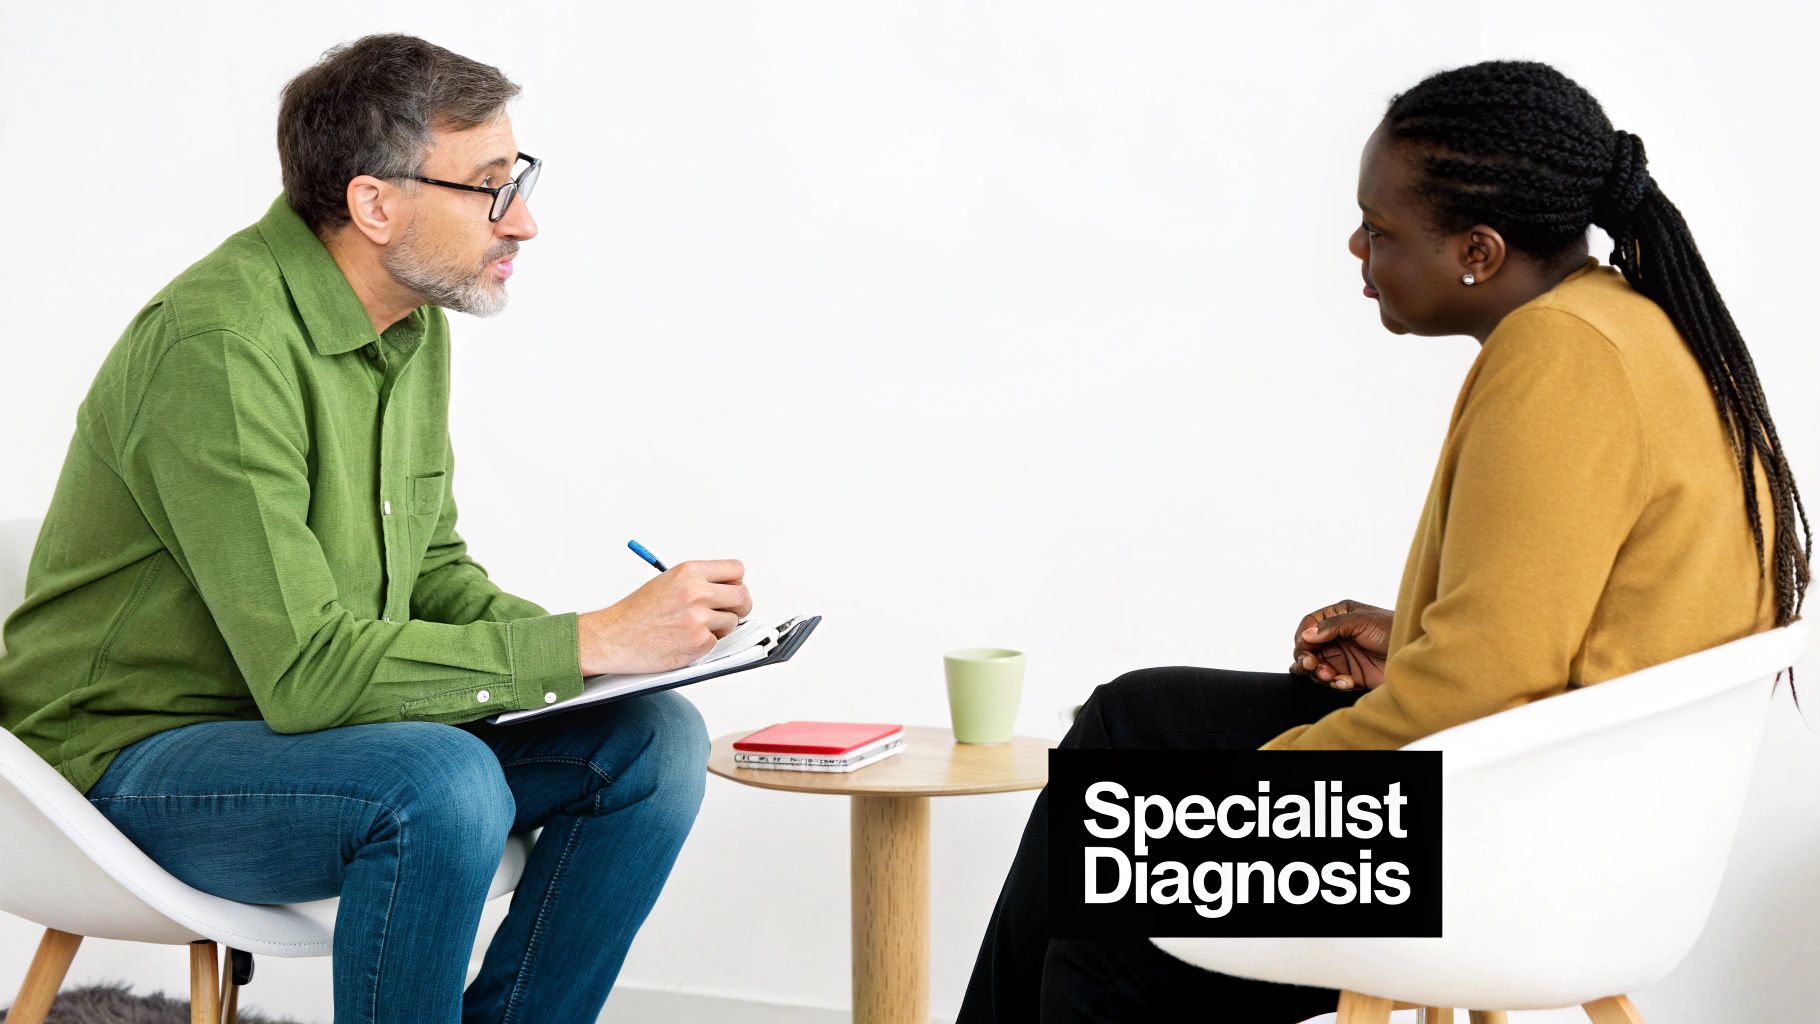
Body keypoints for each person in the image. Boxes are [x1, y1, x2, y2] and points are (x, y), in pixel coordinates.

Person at [957, 59, 1811, 1022]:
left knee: (1113, 904)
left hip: (1501, 848)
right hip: (1568, 813)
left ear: (1477, 252)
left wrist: (1225, 802)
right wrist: (1416, 638)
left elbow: (1488, 684)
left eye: (1383, 228)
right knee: (1131, 723)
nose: (1357, 245)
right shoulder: (1624, 326)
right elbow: (1553, 641)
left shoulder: (1561, 354)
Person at [0, 34, 751, 1024]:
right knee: (436, 782)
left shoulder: (410, 320)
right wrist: (588, 640)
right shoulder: (218, 347)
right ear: (374, 203)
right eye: (489, 186)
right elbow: (308, 671)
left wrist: (627, 663)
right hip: (124, 765)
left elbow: (430, 571)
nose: (522, 221)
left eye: (517, 178)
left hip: (296, 737)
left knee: (649, 741)